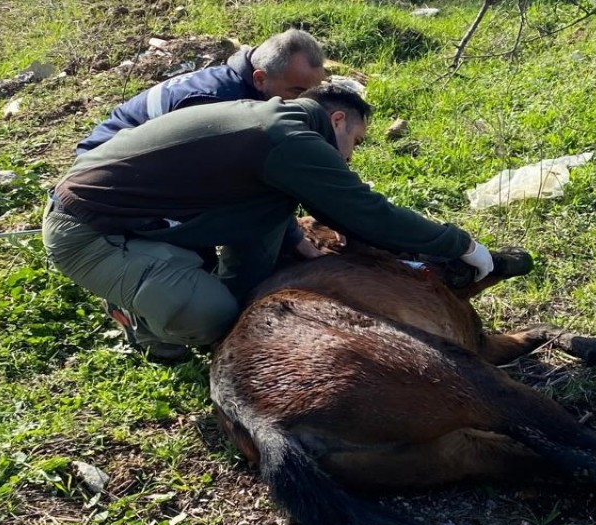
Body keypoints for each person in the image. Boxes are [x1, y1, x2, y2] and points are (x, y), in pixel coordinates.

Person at [44, 84, 496, 360]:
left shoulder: (269, 123)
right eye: (354, 141)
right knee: (212, 316)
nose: (351, 155)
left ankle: (166, 278)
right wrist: (460, 245)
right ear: (336, 119)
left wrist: (296, 240)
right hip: (89, 232)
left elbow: (262, 210)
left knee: (263, 237)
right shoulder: (287, 137)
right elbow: (365, 212)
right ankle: (138, 319)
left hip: (143, 218)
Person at [76, 29, 328, 155]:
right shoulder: (217, 102)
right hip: (103, 169)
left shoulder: (237, 85)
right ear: (260, 79)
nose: (303, 101)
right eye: (296, 91)